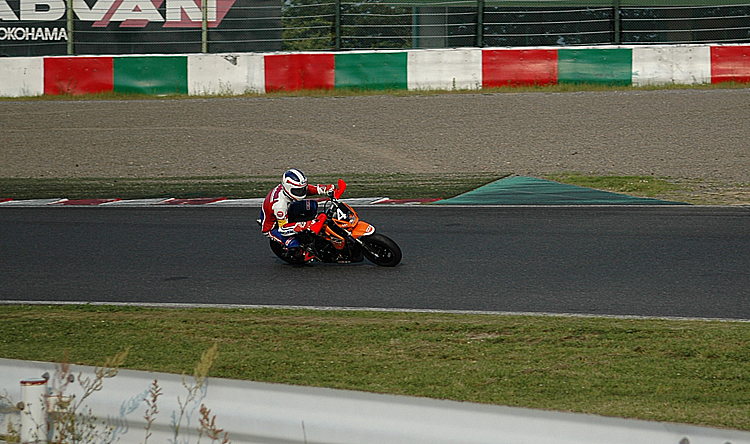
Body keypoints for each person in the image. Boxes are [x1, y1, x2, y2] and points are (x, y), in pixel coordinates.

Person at [259, 168, 335, 260]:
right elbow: (283, 229)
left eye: (302, 189)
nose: (301, 192)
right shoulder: (280, 206)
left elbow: (308, 189)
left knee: (311, 205)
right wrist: (304, 225)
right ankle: (300, 255)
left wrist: (325, 189)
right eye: (298, 191)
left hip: (288, 209)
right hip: (274, 227)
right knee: (293, 244)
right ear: (288, 188)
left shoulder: (288, 189)